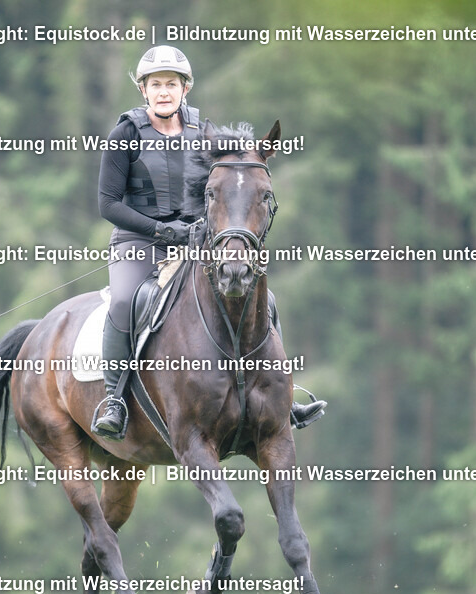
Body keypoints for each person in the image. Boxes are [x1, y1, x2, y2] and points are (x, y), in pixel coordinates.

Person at [92, 45, 325, 440]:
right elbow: (108, 204)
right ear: (143, 90)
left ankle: (283, 396)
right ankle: (114, 398)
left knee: (263, 299)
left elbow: (230, 189)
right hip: (139, 241)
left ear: (186, 89)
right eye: (155, 85)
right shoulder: (125, 133)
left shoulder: (206, 134)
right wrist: (164, 232)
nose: (164, 91)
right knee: (124, 300)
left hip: (198, 242)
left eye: (171, 84)